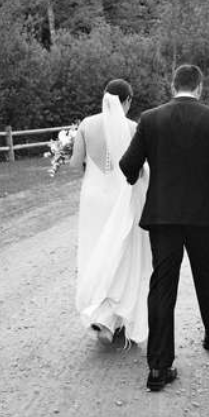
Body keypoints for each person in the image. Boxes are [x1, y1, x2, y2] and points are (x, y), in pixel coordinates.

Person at [119, 63, 209, 393]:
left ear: (172, 85)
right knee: (207, 274)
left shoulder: (150, 119)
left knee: (163, 284)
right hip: (205, 215)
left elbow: (127, 165)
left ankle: (159, 368)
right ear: (200, 87)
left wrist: (138, 178)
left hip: (163, 215)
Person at [68, 79, 150, 349]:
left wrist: (63, 152)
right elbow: (138, 171)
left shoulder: (86, 125)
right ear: (127, 101)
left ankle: (99, 312)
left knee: (94, 251)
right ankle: (109, 317)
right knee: (119, 253)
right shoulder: (133, 128)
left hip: (93, 197)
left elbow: (73, 163)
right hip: (119, 199)